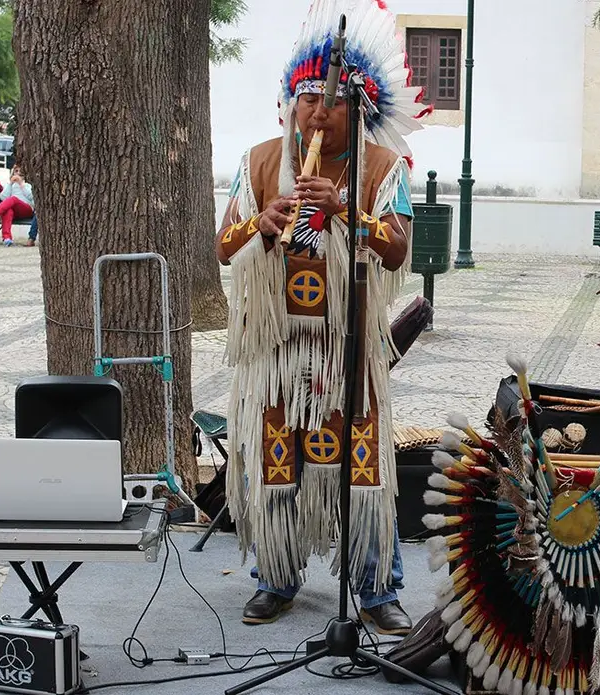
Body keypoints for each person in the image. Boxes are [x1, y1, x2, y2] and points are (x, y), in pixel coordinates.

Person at [215, 0, 429, 634]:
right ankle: (275, 576)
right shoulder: (258, 161)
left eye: (329, 100)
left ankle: (375, 587)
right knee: (277, 461)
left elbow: (399, 248)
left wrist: (346, 211)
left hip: (348, 345)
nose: (315, 111)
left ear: (356, 108)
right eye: (305, 98)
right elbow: (225, 245)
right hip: (277, 349)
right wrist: (264, 221)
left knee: (363, 467)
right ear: (290, 103)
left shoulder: (382, 168)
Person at [0, 165, 35, 246]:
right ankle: (7, 238)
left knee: (13, 199)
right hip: (14, 211)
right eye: (16, 171)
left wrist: (21, 184)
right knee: (8, 211)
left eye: (20, 172)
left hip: (27, 209)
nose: (18, 173)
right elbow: (3, 197)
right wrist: (10, 184)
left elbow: (31, 197)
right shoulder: (10, 185)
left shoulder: (27, 185)